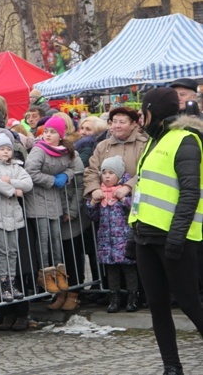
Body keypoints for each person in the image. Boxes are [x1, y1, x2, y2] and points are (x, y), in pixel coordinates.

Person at [127, 87, 203, 375]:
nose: (139, 118)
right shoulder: (153, 142)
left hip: (174, 239)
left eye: (142, 112)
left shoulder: (185, 140)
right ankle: (172, 366)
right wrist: (132, 234)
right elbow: (142, 192)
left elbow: (189, 194)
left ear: (152, 112)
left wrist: (176, 237)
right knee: (157, 307)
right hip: (146, 237)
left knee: (190, 305)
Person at [24, 116, 77, 293]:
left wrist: (66, 176)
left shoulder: (65, 150)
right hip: (38, 199)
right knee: (43, 238)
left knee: (56, 238)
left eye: (52, 132)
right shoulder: (38, 150)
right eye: (46, 131)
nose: (47, 135)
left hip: (54, 200)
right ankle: (45, 274)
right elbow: (30, 172)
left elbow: (71, 167)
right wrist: (52, 180)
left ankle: (59, 272)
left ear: (60, 136)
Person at [0, 133, 33, 303]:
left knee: (12, 250)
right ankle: (3, 282)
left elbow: (28, 183)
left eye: (8, 149)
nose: (5, 152)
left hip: (13, 214)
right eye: (2, 149)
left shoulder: (17, 166)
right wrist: (13, 191)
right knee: (1, 250)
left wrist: (11, 181)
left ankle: (12, 281)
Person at [86, 155, 138, 313]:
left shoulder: (125, 192)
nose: (107, 176)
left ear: (120, 175)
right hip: (106, 240)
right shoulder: (100, 193)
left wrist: (123, 200)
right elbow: (93, 216)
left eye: (111, 173)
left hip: (123, 238)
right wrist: (93, 203)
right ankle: (114, 298)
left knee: (129, 269)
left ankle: (133, 297)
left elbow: (135, 209)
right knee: (112, 271)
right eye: (104, 172)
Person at [84, 107, 148, 202]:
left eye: (122, 122)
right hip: (107, 205)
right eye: (114, 121)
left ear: (133, 124)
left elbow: (147, 171)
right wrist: (95, 189)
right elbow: (92, 170)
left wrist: (128, 186)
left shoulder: (144, 145)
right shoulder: (102, 146)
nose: (117, 126)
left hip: (136, 201)